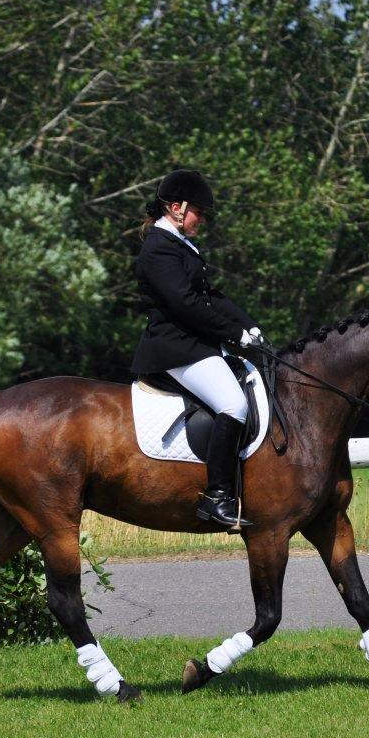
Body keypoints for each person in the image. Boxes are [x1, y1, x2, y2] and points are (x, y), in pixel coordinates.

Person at [130, 169, 263, 527]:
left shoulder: (180, 244)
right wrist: (232, 333)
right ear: (176, 207)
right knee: (233, 405)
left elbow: (210, 295)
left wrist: (248, 324)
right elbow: (185, 304)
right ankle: (217, 497)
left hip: (194, 343)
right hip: (175, 348)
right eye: (198, 212)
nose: (201, 219)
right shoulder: (158, 248)